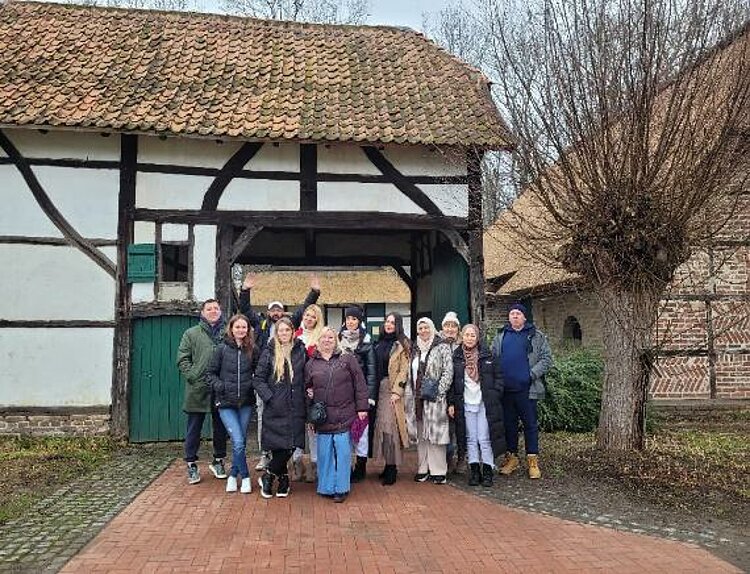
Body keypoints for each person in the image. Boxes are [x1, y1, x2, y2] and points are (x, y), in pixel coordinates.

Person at [239, 272, 321, 472]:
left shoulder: (290, 326)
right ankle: (265, 455)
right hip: (267, 381)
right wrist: (245, 290)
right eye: (273, 310)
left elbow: (303, 309)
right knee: (263, 419)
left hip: (288, 386)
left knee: (291, 421)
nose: (276, 313)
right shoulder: (260, 325)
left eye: (279, 310)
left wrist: (314, 292)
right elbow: (245, 309)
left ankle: (288, 458)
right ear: (268, 312)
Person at [306, 327, 369, 503]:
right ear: (318, 341)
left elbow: (360, 383)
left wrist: (362, 407)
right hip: (323, 417)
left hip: (344, 413)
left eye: (330, 337)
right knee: (325, 453)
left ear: (336, 340)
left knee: (342, 453)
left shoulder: (347, 359)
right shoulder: (310, 364)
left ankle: (341, 488)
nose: (327, 340)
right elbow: (306, 389)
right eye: (323, 337)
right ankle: (326, 486)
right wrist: (309, 413)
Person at [491, 302, 553, 480]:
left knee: (530, 425)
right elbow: (493, 358)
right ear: (509, 317)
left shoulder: (536, 335)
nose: (515, 316)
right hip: (506, 391)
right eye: (512, 314)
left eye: (518, 314)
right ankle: (512, 458)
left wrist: (531, 374)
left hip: (527, 390)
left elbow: (546, 359)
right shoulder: (501, 336)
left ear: (524, 317)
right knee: (509, 425)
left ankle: (532, 461)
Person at [176, 299, 230, 485]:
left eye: (216, 308)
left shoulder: (227, 332)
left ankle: (218, 460)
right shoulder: (191, 334)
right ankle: (191, 464)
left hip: (220, 387)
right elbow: (183, 358)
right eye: (209, 309)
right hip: (197, 387)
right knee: (194, 428)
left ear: (220, 311)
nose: (213, 311)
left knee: (221, 427)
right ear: (202, 312)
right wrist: (193, 375)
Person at [252, 317, 307, 498]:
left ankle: (268, 475)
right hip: (275, 407)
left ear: (293, 332)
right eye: (280, 330)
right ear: (276, 333)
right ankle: (283, 480)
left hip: (296, 406)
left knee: (291, 445)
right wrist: (270, 398)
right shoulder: (268, 352)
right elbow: (258, 379)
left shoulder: (300, 351)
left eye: (287, 330)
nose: (283, 333)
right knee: (278, 446)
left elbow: (308, 375)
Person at [206, 314, 260, 494]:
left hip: (245, 402)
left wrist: (252, 385)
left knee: (241, 441)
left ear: (248, 330)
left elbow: (259, 372)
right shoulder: (221, 349)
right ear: (231, 328)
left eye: (244, 327)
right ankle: (244, 477)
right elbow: (210, 374)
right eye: (237, 327)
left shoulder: (253, 349)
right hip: (226, 403)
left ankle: (232, 475)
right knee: (237, 441)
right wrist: (220, 387)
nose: (241, 330)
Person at [448, 324, 505, 487]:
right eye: (467, 335)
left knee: (484, 438)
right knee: (471, 439)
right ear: (462, 336)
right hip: (465, 402)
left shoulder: (487, 355)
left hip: (484, 403)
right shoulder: (457, 356)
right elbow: (452, 383)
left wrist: (494, 394)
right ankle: (474, 471)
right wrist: (451, 402)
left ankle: (487, 471)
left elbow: (499, 377)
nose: (470, 338)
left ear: (477, 337)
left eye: (473, 335)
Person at [410, 317, 454, 484]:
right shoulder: (415, 349)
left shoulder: (441, 346)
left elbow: (448, 372)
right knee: (422, 434)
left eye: (426, 327)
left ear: (432, 328)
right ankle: (423, 468)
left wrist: (439, 392)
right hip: (417, 397)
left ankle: (438, 471)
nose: (423, 331)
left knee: (435, 434)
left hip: (435, 398)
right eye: (420, 328)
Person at [371, 313, 411, 486]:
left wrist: (397, 391)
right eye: (387, 321)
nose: (388, 325)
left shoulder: (402, 344)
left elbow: (404, 370)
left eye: (392, 322)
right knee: (381, 428)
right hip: (377, 390)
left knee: (390, 430)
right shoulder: (377, 343)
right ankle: (387, 465)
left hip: (391, 389)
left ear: (398, 325)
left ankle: (392, 468)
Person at [337, 306, 376, 482]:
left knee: (361, 431)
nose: (351, 322)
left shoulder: (366, 343)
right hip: (342, 393)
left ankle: (360, 466)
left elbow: (372, 372)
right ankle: (345, 464)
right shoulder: (338, 341)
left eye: (354, 319)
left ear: (359, 321)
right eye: (348, 319)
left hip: (360, 394)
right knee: (344, 430)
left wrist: (369, 397)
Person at [292, 303, 325, 483]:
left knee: (313, 427)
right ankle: (297, 462)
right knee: (296, 426)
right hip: (296, 388)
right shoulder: (295, 335)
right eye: (307, 315)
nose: (309, 318)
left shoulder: (320, 337)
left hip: (313, 388)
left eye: (313, 316)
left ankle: (314, 463)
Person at [439, 311, 464, 475]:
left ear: (458, 328)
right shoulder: (437, 344)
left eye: (453, 326)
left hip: (460, 391)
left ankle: (461, 458)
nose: (450, 329)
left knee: (460, 427)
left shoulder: (463, 345)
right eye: (447, 325)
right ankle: (446, 459)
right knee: (445, 428)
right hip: (442, 391)